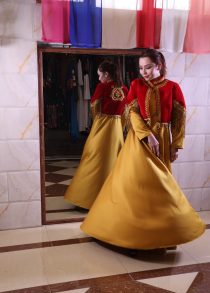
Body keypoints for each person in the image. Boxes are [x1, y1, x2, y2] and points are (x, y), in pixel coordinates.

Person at [81, 48, 205, 250]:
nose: (144, 72)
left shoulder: (173, 87)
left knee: (161, 189)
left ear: (159, 66)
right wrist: (147, 135)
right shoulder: (136, 85)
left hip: (163, 140)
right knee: (133, 184)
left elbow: (179, 119)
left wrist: (176, 145)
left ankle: (164, 236)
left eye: (148, 67)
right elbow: (132, 112)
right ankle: (130, 233)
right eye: (141, 68)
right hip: (139, 140)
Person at [64, 60, 128, 209]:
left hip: (103, 128)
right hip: (117, 129)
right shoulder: (124, 89)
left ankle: (85, 199)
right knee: (113, 162)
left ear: (106, 74)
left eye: (100, 75)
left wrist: (95, 128)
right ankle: (111, 199)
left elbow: (95, 108)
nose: (99, 78)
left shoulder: (102, 87)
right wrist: (120, 128)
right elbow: (126, 113)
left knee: (93, 159)